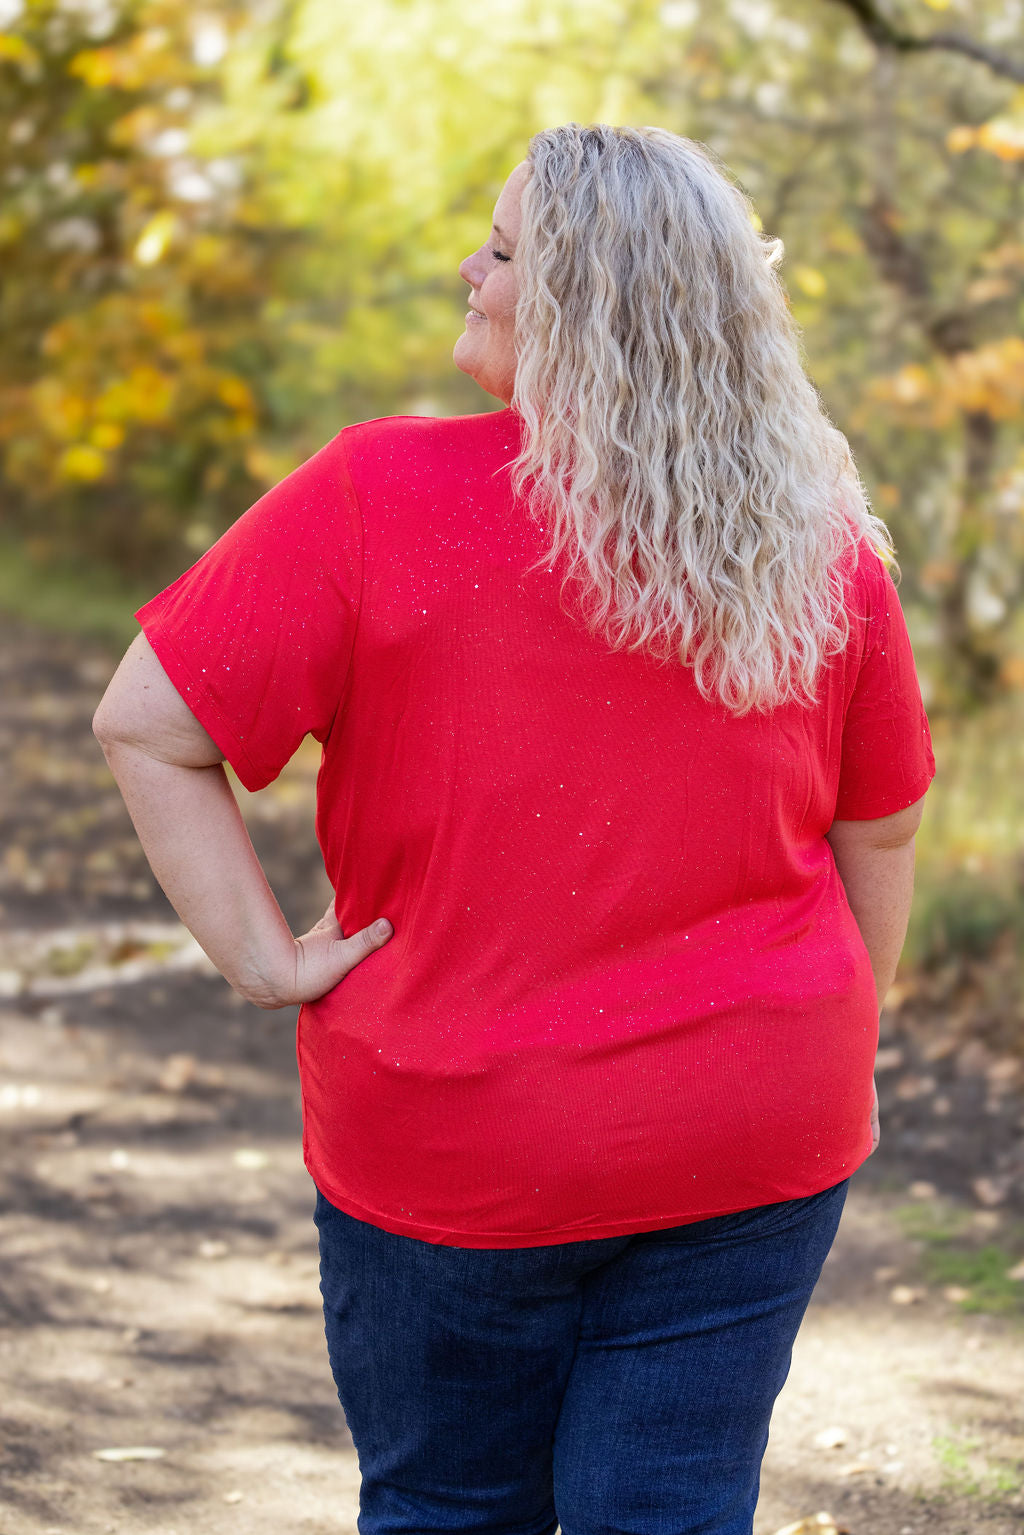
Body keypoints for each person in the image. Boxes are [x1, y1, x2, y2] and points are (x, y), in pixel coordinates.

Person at [93, 123, 935, 1535]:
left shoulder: (373, 495)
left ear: (593, 303)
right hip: (753, 1130)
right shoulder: (816, 540)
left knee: (448, 1512)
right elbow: (887, 835)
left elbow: (147, 724)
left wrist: (262, 958)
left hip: (451, 1137)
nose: (465, 272)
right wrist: (826, 1024)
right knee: (668, 1514)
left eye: (500, 250)